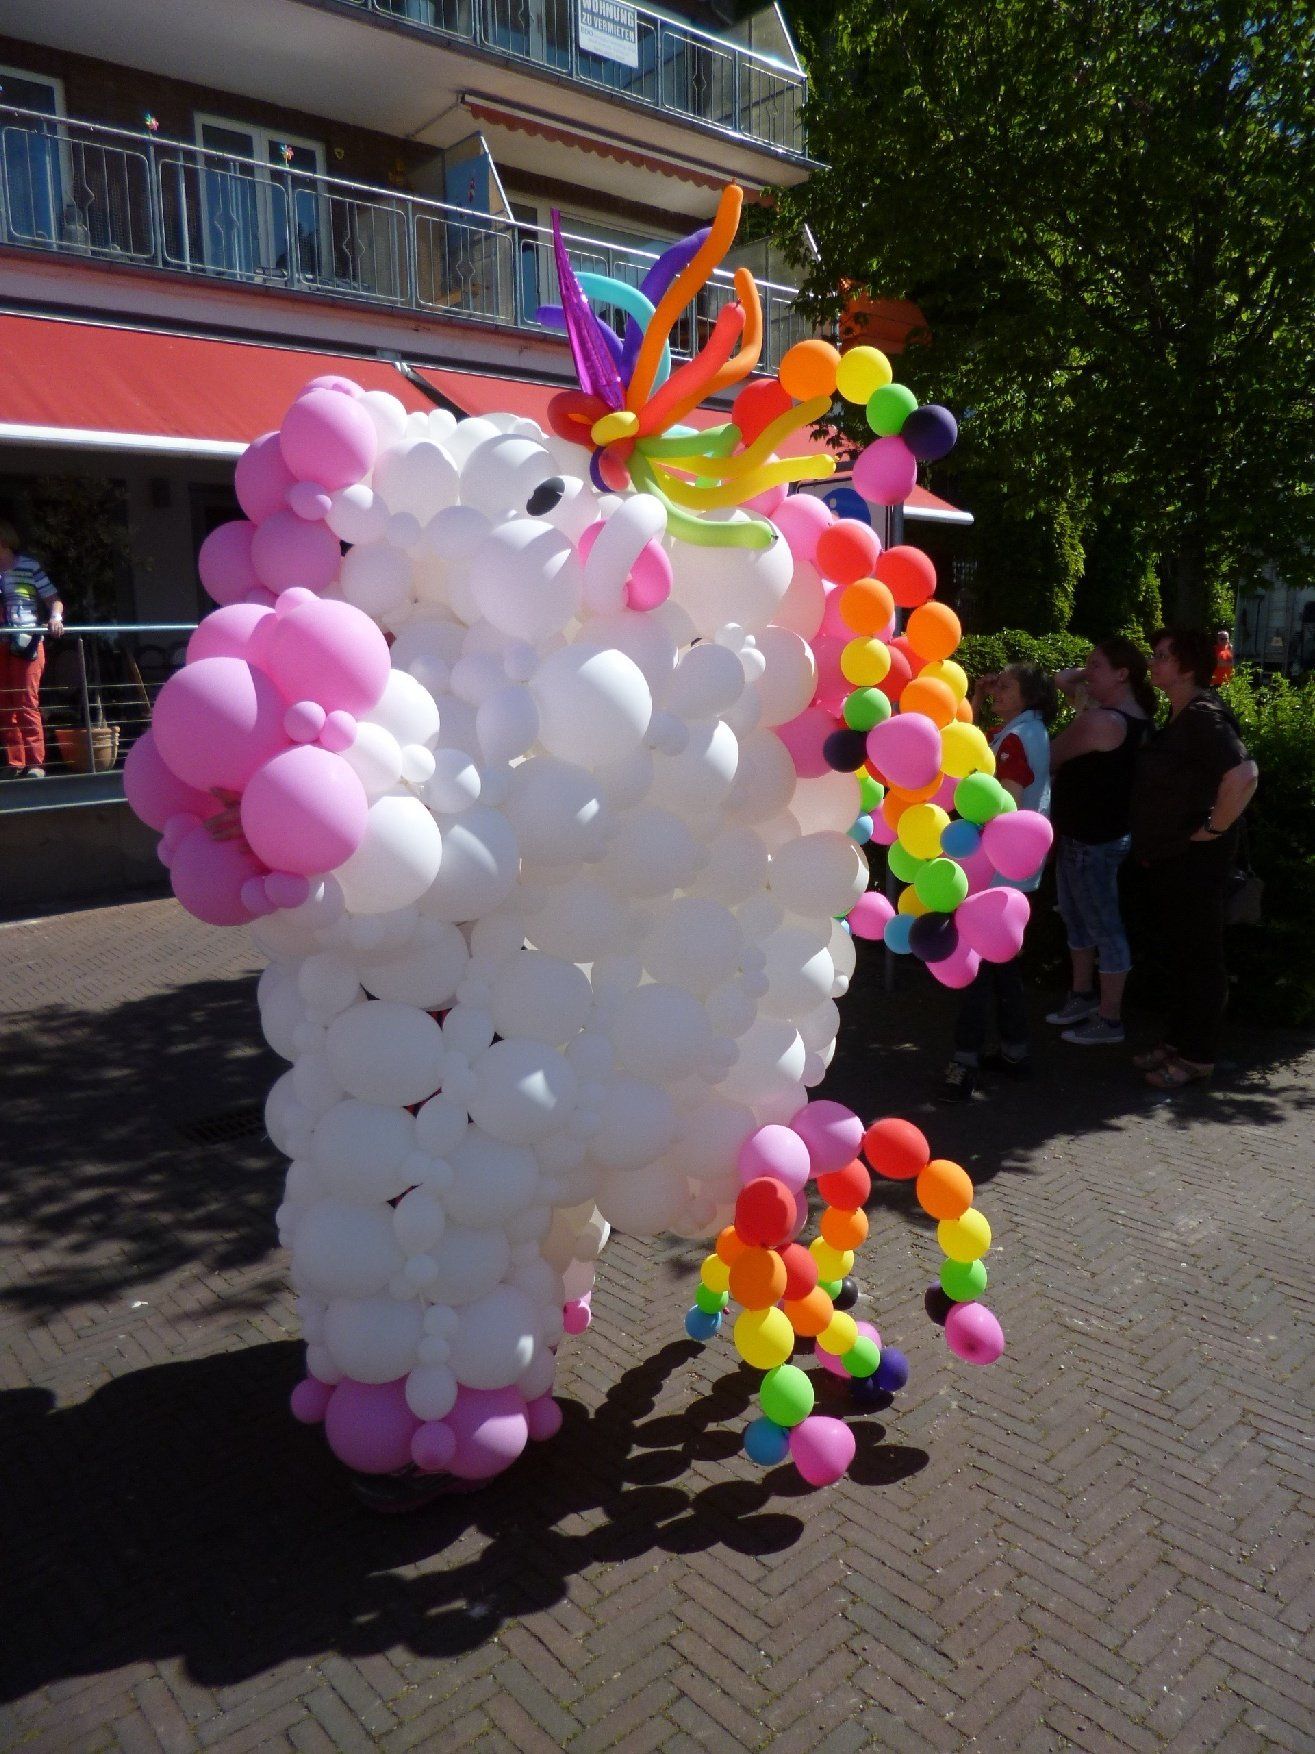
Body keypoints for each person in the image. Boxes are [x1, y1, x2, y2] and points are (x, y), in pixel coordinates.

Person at [1129, 626, 1259, 1089]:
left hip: (1197, 865)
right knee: (1182, 955)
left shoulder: (1204, 717)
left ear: (1186, 668)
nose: (1153, 663)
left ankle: (1197, 1057)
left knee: (1200, 958)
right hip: (1175, 861)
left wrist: (1214, 828)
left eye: (1162, 656)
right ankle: (1178, 1042)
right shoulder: (1183, 715)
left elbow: (1243, 773)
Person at [940, 662, 1057, 1102]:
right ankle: (1015, 1052)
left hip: (997, 869)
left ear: (1029, 696)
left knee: (975, 967)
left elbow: (1002, 802)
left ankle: (965, 1060)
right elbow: (969, 746)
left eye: (1007, 686)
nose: (998, 691)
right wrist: (978, 696)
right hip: (1017, 868)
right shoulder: (1028, 731)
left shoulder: (1014, 740)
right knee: (1002, 963)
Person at [1045, 639, 1155, 1045]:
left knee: (1103, 929)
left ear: (1122, 674)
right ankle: (1082, 996)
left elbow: (1050, 757)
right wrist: (1091, 677)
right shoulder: (1133, 713)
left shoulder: (1102, 722)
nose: (1086, 672)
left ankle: (1108, 1020)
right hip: (1098, 834)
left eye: (1097, 664)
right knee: (1078, 921)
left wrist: (1085, 700)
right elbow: (1062, 678)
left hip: (1091, 839)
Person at [0, 519, 64, 778]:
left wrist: (55, 618)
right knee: (5, 704)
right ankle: (15, 763)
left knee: (26, 701)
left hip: (27, 641)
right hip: (1, 643)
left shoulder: (29, 566)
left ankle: (36, 763)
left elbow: (54, 600)